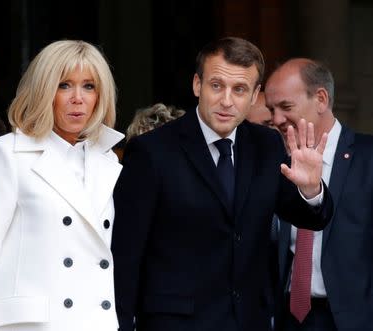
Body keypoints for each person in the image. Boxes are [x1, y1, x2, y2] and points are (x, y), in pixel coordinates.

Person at [111, 37, 333, 331]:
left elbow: (310, 218)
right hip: (175, 323)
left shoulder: (266, 146)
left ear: (255, 96)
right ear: (196, 85)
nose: (227, 101)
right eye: (217, 85)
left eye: (239, 89)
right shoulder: (152, 151)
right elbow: (125, 256)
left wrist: (310, 189)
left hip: (249, 321)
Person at [0, 40, 124, 331]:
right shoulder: (9, 154)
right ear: (44, 91)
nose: (77, 98)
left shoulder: (106, 161)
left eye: (89, 86)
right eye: (64, 85)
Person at [265, 58, 373, 331]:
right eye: (271, 109)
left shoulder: (368, 157)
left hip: (353, 319)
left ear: (321, 99)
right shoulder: (275, 162)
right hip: (288, 317)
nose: (276, 119)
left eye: (285, 107)